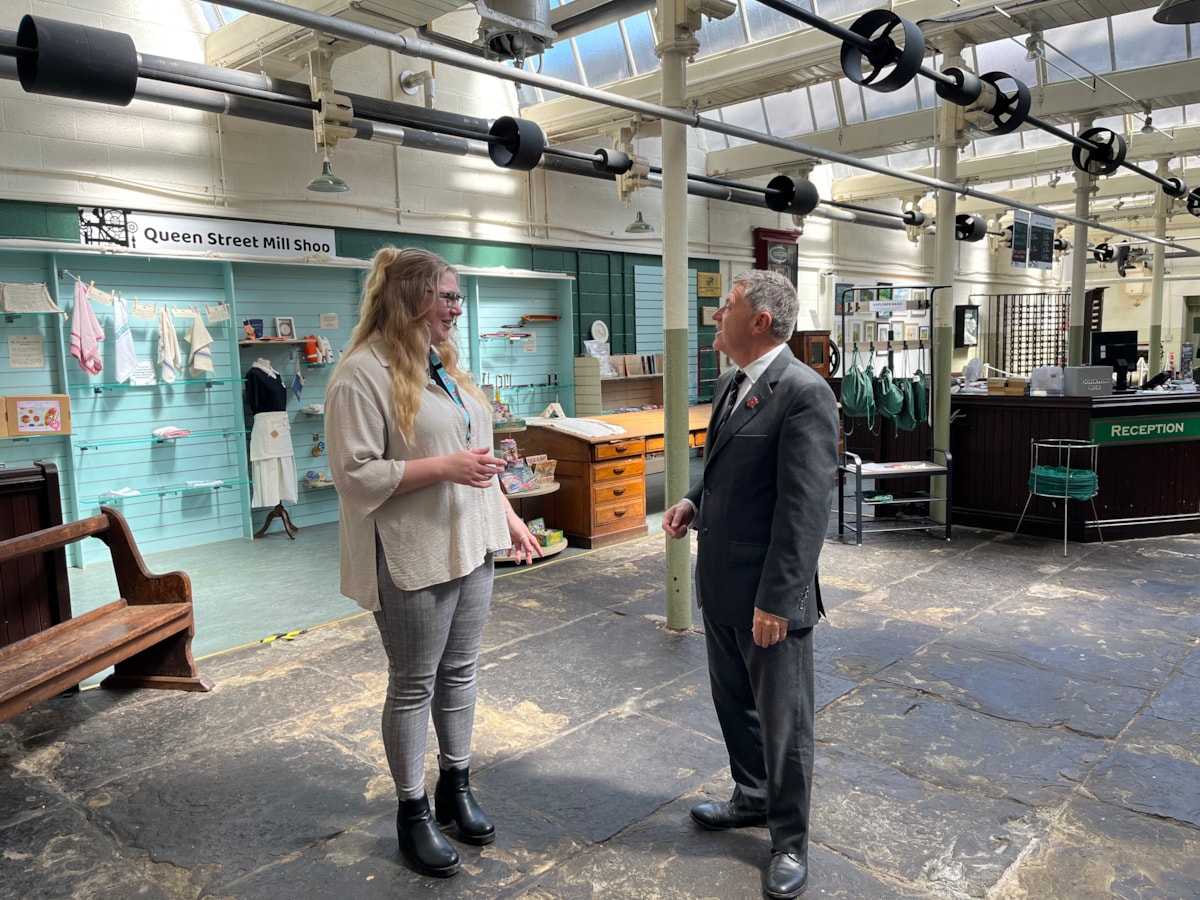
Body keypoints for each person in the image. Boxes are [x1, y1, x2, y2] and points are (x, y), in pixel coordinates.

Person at [326, 246, 541, 879]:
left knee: (462, 673)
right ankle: (412, 812)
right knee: (414, 683)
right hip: (412, 554)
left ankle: (456, 785)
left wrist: (507, 515)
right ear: (409, 298)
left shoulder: (441, 363)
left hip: (470, 543)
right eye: (445, 295)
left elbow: (475, 452)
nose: (454, 307)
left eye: (454, 296)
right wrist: (445, 468)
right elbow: (355, 476)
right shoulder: (360, 374)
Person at [662, 269, 839, 900]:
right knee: (733, 702)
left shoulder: (803, 393)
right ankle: (752, 794)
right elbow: (732, 473)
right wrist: (692, 500)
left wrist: (780, 600)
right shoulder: (732, 384)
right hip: (722, 581)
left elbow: (804, 508)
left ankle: (789, 840)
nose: (715, 315)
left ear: (760, 320)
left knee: (784, 720)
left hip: (767, 594)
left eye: (726, 306)